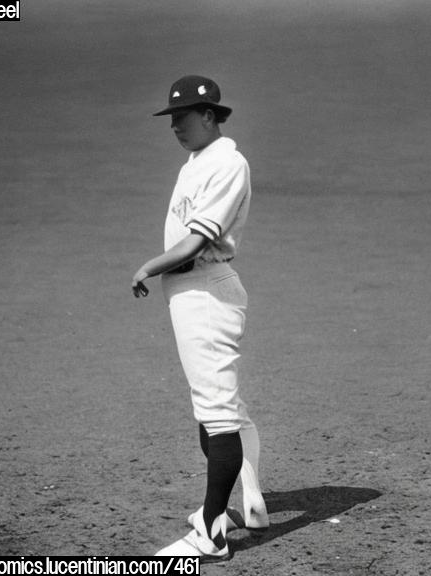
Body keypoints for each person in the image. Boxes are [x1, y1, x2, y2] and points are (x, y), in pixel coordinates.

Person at [132, 75, 269, 561]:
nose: (176, 126)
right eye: (171, 118)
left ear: (210, 115)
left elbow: (195, 243)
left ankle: (210, 536)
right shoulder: (199, 161)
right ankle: (250, 504)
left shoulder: (228, 163)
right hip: (191, 291)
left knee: (217, 413)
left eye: (184, 117)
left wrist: (149, 265)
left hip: (206, 290)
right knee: (217, 406)